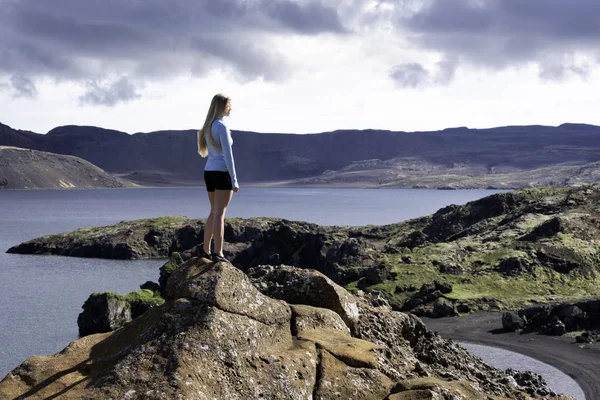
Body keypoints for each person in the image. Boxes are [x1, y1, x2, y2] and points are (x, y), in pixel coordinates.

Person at [197, 93, 239, 263]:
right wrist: (234, 179)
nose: (231, 109)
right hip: (222, 173)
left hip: (209, 172)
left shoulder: (208, 126)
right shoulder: (221, 127)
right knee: (220, 213)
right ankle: (218, 252)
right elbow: (229, 157)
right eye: (229, 105)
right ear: (222, 106)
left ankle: (205, 249)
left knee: (213, 211)